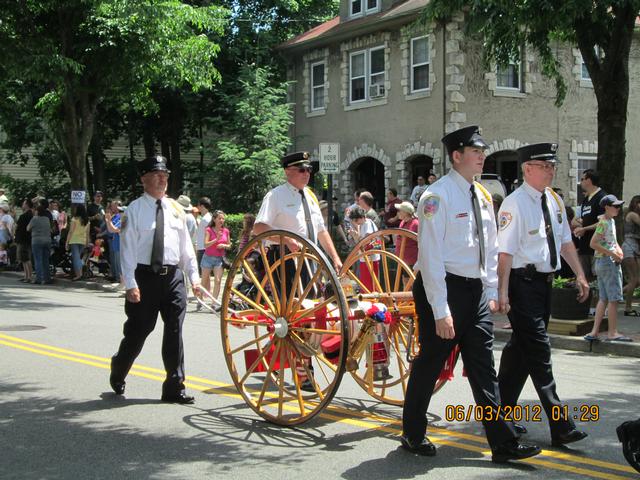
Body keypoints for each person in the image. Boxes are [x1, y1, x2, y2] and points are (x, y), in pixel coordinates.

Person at [402, 125, 540, 462]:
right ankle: (412, 432)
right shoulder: (435, 196)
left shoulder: (481, 194)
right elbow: (430, 256)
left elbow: (490, 246)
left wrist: (490, 288)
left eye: (482, 150)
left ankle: (503, 444)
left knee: (483, 368)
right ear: (457, 156)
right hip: (444, 288)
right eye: (474, 151)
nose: (481, 155)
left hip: (474, 290)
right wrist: (439, 309)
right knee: (430, 363)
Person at [497, 143, 589, 447]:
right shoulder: (514, 204)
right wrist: (501, 292)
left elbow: (565, 244)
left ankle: (498, 414)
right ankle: (560, 423)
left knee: (520, 352)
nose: (551, 171)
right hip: (521, 285)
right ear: (527, 169)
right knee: (539, 351)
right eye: (544, 166)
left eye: (552, 166)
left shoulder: (554, 201)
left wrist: (580, 274)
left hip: (544, 284)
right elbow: (505, 254)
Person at [110, 155, 200, 404]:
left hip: (172, 278)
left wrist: (195, 278)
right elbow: (127, 249)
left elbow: (185, 248)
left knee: (174, 330)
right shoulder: (135, 210)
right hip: (144, 278)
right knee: (139, 331)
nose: (163, 179)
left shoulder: (176, 209)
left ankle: (174, 386)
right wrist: (130, 283)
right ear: (144, 179)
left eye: (165, 175)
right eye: (157, 175)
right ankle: (119, 367)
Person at [253, 151, 343, 392]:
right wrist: (284, 239)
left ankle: (285, 360)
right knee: (295, 317)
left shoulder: (310, 197)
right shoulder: (276, 196)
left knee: (312, 314)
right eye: (302, 170)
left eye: (309, 170)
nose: (307, 174)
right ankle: (303, 372)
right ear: (288, 171)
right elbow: (259, 227)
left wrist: (334, 257)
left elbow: (322, 230)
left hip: (311, 262)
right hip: (285, 260)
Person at [584, 194, 632, 342]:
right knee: (613, 299)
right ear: (606, 207)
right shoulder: (605, 222)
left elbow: (611, 241)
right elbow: (593, 243)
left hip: (603, 262)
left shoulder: (608, 221)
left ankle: (594, 332)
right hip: (608, 263)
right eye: (615, 206)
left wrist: (619, 250)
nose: (618, 208)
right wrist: (613, 253)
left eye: (618, 206)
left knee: (604, 298)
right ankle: (613, 332)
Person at [572, 169, 607, 280]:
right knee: (584, 278)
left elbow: (604, 222)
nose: (580, 182)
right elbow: (584, 219)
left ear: (589, 180)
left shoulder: (602, 197)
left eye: (582, 179)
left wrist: (585, 229)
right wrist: (579, 226)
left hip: (597, 247)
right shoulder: (586, 199)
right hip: (584, 246)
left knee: (597, 280)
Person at [347, 207, 379, 292]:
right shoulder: (364, 224)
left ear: (361, 218)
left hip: (370, 258)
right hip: (365, 257)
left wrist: (355, 236)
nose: (355, 223)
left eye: (355, 220)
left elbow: (365, 241)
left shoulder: (368, 224)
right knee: (365, 283)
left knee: (369, 285)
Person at [201, 209, 231, 301]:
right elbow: (205, 244)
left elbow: (229, 245)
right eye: (219, 218)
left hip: (219, 259)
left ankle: (214, 302)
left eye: (223, 218)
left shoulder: (226, 231)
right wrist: (216, 239)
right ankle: (200, 300)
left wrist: (224, 245)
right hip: (208, 258)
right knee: (204, 281)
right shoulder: (208, 230)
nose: (221, 220)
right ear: (214, 219)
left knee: (218, 281)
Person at [621, 195, 640, 316]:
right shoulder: (632, 215)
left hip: (635, 248)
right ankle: (628, 308)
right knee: (633, 279)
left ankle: (616, 294)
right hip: (629, 247)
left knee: (637, 280)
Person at [27, 201, 53, 285]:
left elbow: (28, 228)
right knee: (46, 260)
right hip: (47, 240)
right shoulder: (46, 219)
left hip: (37, 241)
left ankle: (39, 278)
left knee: (38, 260)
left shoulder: (34, 219)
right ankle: (47, 278)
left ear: (37, 211)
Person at [66, 205, 90, 281]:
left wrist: (67, 242)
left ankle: (79, 274)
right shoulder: (87, 221)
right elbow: (87, 233)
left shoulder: (74, 219)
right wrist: (87, 242)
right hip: (82, 240)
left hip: (74, 240)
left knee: (76, 258)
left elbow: (71, 231)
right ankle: (80, 273)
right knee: (78, 257)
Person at [105, 200, 124, 285]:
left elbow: (114, 230)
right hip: (116, 242)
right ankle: (119, 280)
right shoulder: (117, 217)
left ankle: (122, 282)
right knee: (116, 262)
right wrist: (108, 220)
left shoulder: (122, 220)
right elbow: (110, 229)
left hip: (121, 244)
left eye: (121, 211)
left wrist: (108, 220)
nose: (119, 212)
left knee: (119, 264)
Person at [395, 201, 418, 269]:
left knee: (407, 279)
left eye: (399, 211)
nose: (397, 213)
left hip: (410, 259)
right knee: (403, 279)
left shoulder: (415, 224)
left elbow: (419, 240)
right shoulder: (402, 222)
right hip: (402, 258)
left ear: (405, 212)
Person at [15, 199, 34, 282]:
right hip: (26, 238)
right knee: (23, 258)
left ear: (26, 205)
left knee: (26, 258)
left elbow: (18, 226)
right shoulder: (31, 214)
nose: (22, 205)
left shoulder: (25, 215)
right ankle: (26, 275)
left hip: (23, 239)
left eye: (23, 203)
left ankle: (29, 276)